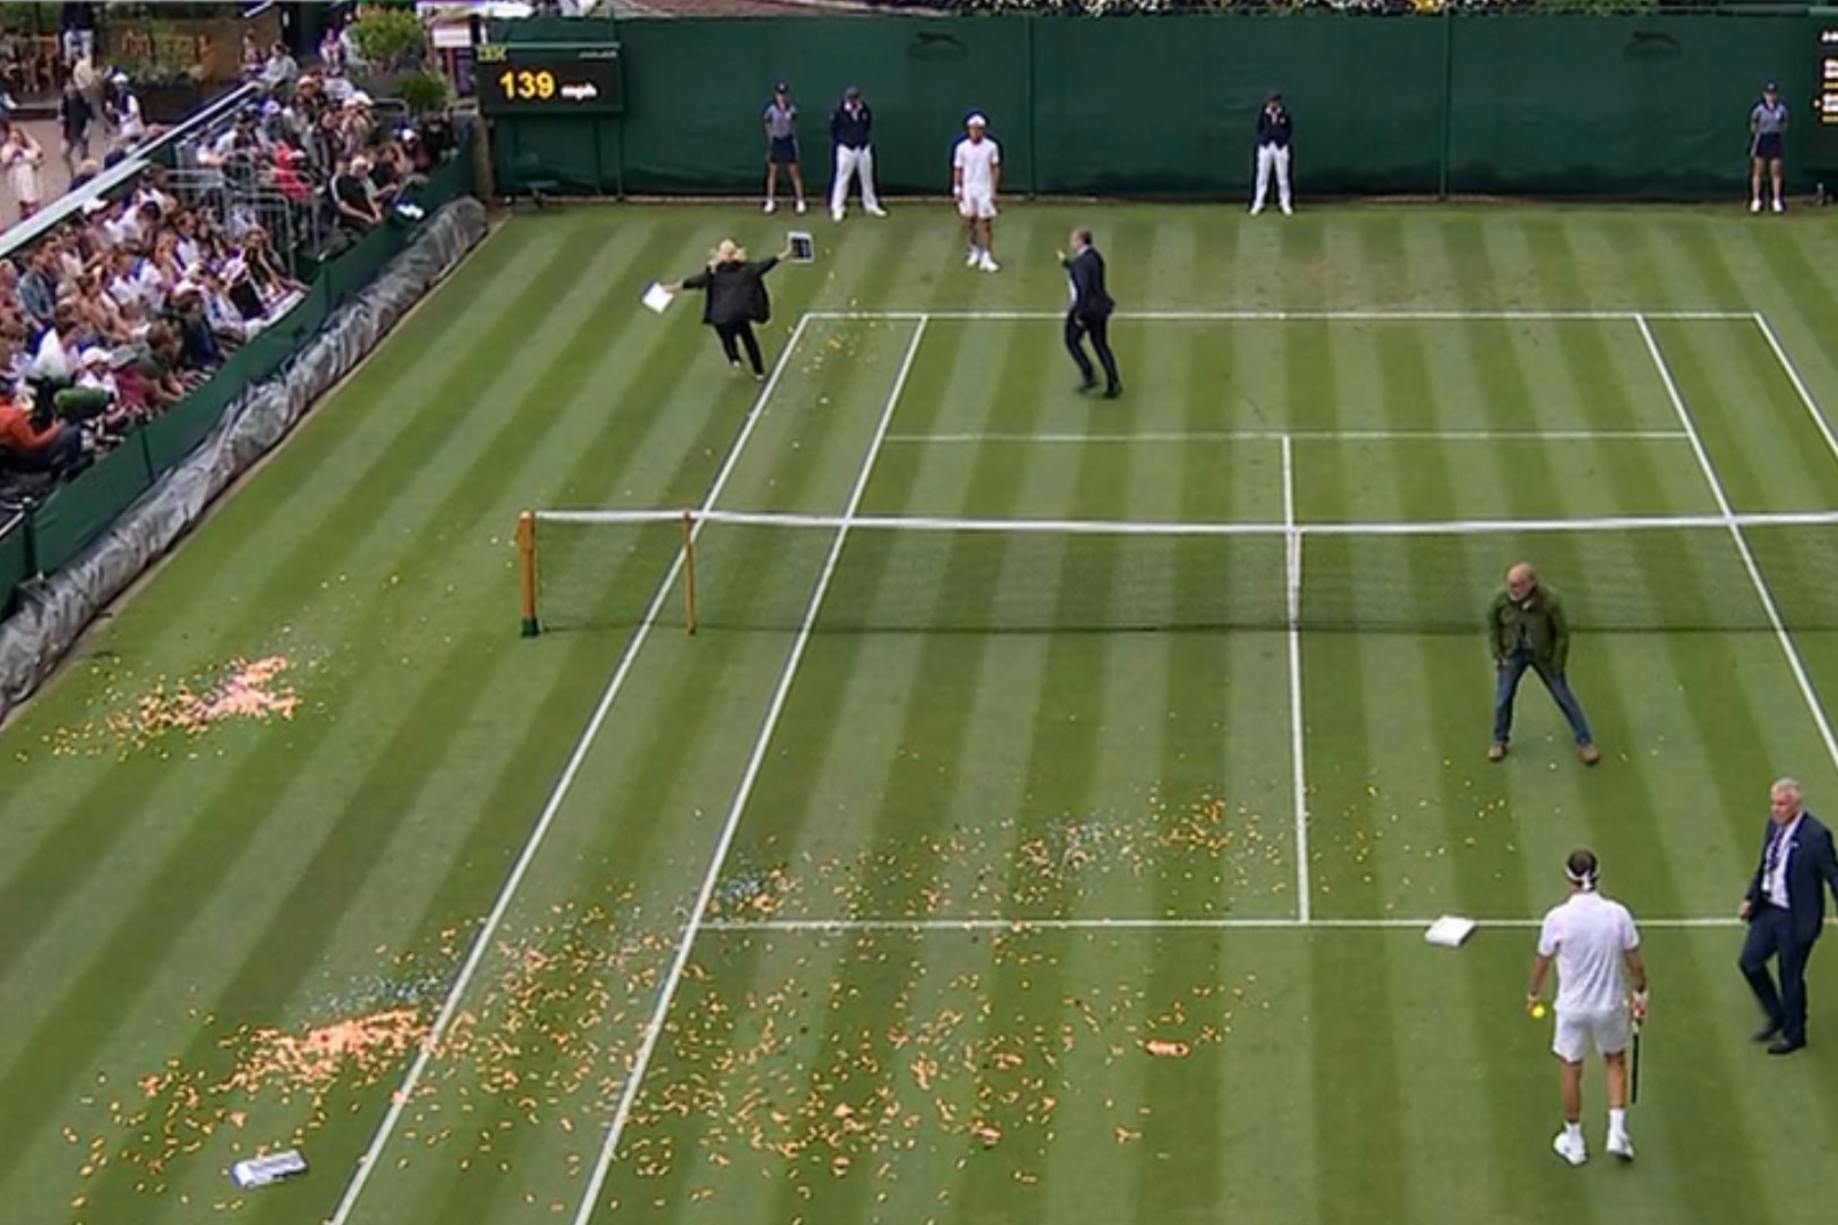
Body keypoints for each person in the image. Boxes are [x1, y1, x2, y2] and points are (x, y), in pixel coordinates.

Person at [1527, 848, 1648, 1167]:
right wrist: (1641, 994)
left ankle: (1575, 1142)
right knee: (1615, 1061)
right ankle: (1617, 1132)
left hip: (1572, 1009)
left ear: (1569, 879)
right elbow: (1634, 963)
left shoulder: (1557, 918)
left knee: (1571, 1067)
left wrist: (1533, 994)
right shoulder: (1617, 914)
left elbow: (1542, 961)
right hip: (1609, 1005)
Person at [1739, 777, 1838, 1055]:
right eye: (1773, 803)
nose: (1776, 809)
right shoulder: (1773, 826)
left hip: (1797, 917)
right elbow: (1765, 865)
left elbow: (1833, 875)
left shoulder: (1816, 836)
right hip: (1769, 909)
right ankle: (1777, 1013)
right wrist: (1751, 897)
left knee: (1790, 975)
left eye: (1782, 804)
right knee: (1750, 962)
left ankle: (1795, 1033)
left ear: (1796, 804)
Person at [1487, 561, 1599, 765]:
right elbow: (1493, 627)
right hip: (1514, 653)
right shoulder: (1500, 600)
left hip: (1543, 656)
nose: (1512, 589)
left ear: (1531, 583)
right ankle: (1499, 740)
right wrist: (1498, 654)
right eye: (1510, 584)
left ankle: (1585, 742)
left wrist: (1557, 662)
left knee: (1564, 697)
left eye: (1518, 585)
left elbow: (1562, 634)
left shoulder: (1550, 601)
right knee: (1503, 699)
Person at [666, 238, 794, 379]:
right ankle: (759, 371)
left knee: (727, 340)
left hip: (719, 316)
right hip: (738, 314)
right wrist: (785, 254)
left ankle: (734, 359)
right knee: (749, 340)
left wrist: (672, 288)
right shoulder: (746, 269)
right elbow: (766, 264)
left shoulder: (713, 273)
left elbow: (694, 281)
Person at [1059, 228, 1120, 398]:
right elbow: (1086, 272)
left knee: (1071, 340)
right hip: (1101, 308)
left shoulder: (1081, 263)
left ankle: (1089, 374)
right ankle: (1113, 382)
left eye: (1073, 240)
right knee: (1101, 345)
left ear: (1080, 241)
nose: (1072, 243)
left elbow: (1083, 288)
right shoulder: (1095, 256)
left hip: (1086, 309)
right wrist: (1067, 264)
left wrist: (1079, 314)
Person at [952, 113, 1001, 273]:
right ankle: (975, 250)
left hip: (984, 189)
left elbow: (994, 169)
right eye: (972, 129)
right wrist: (957, 187)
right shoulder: (961, 148)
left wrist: (993, 190)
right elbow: (958, 168)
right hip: (968, 188)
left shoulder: (991, 147)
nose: (975, 132)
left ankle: (987, 256)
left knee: (985, 223)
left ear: (983, 130)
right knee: (969, 221)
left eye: (978, 129)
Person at [829, 85, 885, 222]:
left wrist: (862, 141)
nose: (854, 101)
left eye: (855, 98)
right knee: (842, 179)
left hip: (863, 148)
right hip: (846, 149)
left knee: (867, 178)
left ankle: (870, 205)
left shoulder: (864, 109)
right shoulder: (839, 111)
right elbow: (833, 130)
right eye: (851, 98)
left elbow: (868, 125)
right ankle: (837, 207)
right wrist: (844, 142)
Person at [762, 82, 806, 216]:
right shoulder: (771, 109)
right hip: (776, 142)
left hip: (788, 141)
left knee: (794, 172)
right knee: (773, 172)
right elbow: (766, 122)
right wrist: (771, 137)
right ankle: (770, 201)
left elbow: (794, 124)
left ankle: (800, 201)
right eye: (780, 94)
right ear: (776, 95)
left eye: (784, 94)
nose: (782, 97)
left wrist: (791, 137)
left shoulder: (792, 109)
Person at [1250, 90, 1294, 217]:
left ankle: (1285, 203)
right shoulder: (1263, 114)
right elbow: (1259, 127)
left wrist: (1282, 141)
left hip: (1281, 148)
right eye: (1270, 101)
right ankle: (1258, 203)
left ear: (1279, 102)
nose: (1272, 104)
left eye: (1275, 101)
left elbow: (1289, 129)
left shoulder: (1285, 114)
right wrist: (1265, 140)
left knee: (1283, 178)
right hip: (1266, 147)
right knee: (1262, 177)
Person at [1750, 81, 1788, 215]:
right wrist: (1759, 134)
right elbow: (1753, 125)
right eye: (1768, 94)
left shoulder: (1781, 109)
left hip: (1775, 140)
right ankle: (1756, 200)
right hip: (1762, 140)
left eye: (1773, 94)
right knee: (1758, 172)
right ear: (1764, 95)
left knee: (1775, 172)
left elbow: (1784, 125)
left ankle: (1776, 200)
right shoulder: (1759, 109)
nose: (1771, 96)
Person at [1, 124, 45, 221]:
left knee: (32, 198)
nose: (15, 140)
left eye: (17, 137)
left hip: (30, 176)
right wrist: (12, 157)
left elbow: (39, 157)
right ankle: (25, 216)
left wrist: (36, 163)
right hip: (17, 177)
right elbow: (4, 164)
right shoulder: (7, 149)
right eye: (13, 138)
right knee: (23, 199)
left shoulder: (29, 148)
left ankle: (35, 215)